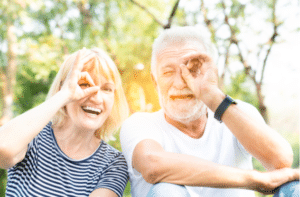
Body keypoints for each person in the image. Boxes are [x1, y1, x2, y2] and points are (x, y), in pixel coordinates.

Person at [120, 26, 300, 197]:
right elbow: (153, 166)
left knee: (294, 188)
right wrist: (253, 179)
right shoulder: (140, 123)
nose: (181, 83)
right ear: (154, 81)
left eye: (192, 70)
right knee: (165, 190)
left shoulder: (239, 112)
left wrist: (212, 96)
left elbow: (281, 161)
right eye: (168, 72)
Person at [0, 48, 129, 197]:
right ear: (63, 87)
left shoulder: (113, 163)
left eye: (107, 89)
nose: (96, 98)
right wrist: (65, 95)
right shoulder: (32, 136)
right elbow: (2, 149)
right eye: (85, 84)